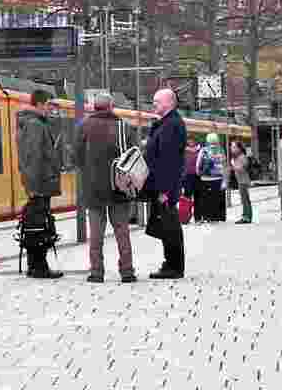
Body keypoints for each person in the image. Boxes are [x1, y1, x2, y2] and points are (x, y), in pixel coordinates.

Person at [75, 93, 134, 284]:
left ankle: (97, 272)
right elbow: (132, 155)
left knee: (96, 234)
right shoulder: (123, 126)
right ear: (111, 106)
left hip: (93, 188)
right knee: (122, 231)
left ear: (93, 107)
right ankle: (127, 271)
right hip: (119, 186)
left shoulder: (84, 126)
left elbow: (75, 156)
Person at [16, 90, 63, 279]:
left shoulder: (33, 123)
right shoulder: (35, 125)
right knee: (39, 225)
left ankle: (35, 264)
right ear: (41, 104)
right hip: (40, 183)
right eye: (50, 104)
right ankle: (39, 266)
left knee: (37, 223)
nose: (52, 108)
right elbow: (33, 157)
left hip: (40, 182)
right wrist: (33, 187)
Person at [144, 88, 186, 279]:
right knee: (167, 224)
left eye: (157, 102)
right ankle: (171, 263)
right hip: (164, 185)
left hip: (166, 187)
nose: (154, 105)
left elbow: (168, 161)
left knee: (169, 225)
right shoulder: (168, 123)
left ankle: (173, 266)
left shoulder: (171, 125)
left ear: (169, 103)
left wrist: (164, 190)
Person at [195, 133, 227, 224]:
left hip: (205, 177)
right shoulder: (221, 150)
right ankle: (215, 217)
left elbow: (198, 164)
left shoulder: (203, 150)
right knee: (215, 198)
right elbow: (224, 165)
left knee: (205, 198)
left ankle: (206, 216)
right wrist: (224, 179)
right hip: (217, 178)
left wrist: (199, 173)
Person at [229, 140, 252, 224]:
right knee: (244, 199)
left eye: (234, 147)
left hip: (243, 181)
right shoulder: (238, 157)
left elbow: (242, 169)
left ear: (239, 148)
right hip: (241, 180)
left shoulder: (242, 157)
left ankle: (247, 217)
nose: (232, 149)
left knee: (245, 199)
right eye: (231, 147)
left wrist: (233, 165)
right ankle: (246, 215)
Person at [183, 138, 202, 220]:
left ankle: (197, 217)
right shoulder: (184, 151)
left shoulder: (200, 150)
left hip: (198, 176)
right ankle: (186, 217)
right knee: (187, 197)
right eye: (189, 140)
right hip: (187, 176)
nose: (191, 142)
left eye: (192, 140)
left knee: (198, 196)